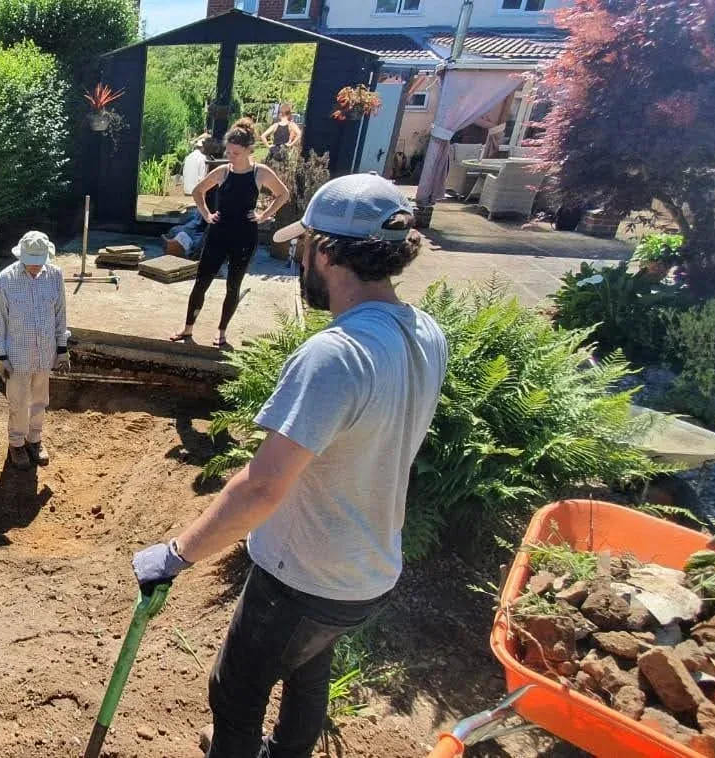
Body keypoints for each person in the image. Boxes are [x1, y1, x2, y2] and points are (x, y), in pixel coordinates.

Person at [133, 173, 449, 758]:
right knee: (308, 668)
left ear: (326, 252)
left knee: (235, 694)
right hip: (368, 568)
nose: (296, 256)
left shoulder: (337, 355)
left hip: (304, 574)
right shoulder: (425, 333)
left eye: (302, 245)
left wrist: (174, 555)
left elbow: (260, 488)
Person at [169, 126, 291, 349]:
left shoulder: (260, 172)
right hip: (218, 233)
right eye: (229, 152)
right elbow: (198, 191)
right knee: (201, 282)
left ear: (248, 150)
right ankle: (188, 328)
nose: (231, 157)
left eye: (236, 153)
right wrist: (206, 215)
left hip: (245, 237)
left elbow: (283, 194)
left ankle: (221, 332)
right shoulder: (223, 172)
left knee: (233, 286)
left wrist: (264, 216)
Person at [0, 230, 70, 470]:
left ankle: (34, 440)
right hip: (16, 357)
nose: (35, 267)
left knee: (39, 401)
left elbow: (60, 315)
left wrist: (62, 348)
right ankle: (16, 444)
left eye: (39, 262)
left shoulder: (55, 276)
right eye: (30, 262)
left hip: (45, 354)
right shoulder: (6, 280)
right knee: (18, 402)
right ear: (21, 257)